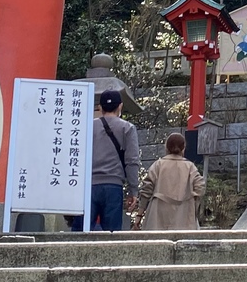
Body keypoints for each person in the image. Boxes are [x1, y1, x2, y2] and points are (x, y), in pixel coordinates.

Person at [87, 89, 140, 231]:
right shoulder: (127, 128)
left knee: (82, 233)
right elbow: (132, 161)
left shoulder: (88, 126)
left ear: (100, 108)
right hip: (113, 186)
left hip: (89, 186)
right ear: (120, 106)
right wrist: (133, 190)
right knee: (111, 234)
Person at [138, 131, 205, 231]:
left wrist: (139, 215)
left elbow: (146, 189)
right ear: (183, 148)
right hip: (184, 214)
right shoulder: (190, 167)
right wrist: (192, 203)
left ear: (166, 147)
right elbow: (200, 187)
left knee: (157, 239)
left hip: (158, 213)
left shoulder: (158, 165)